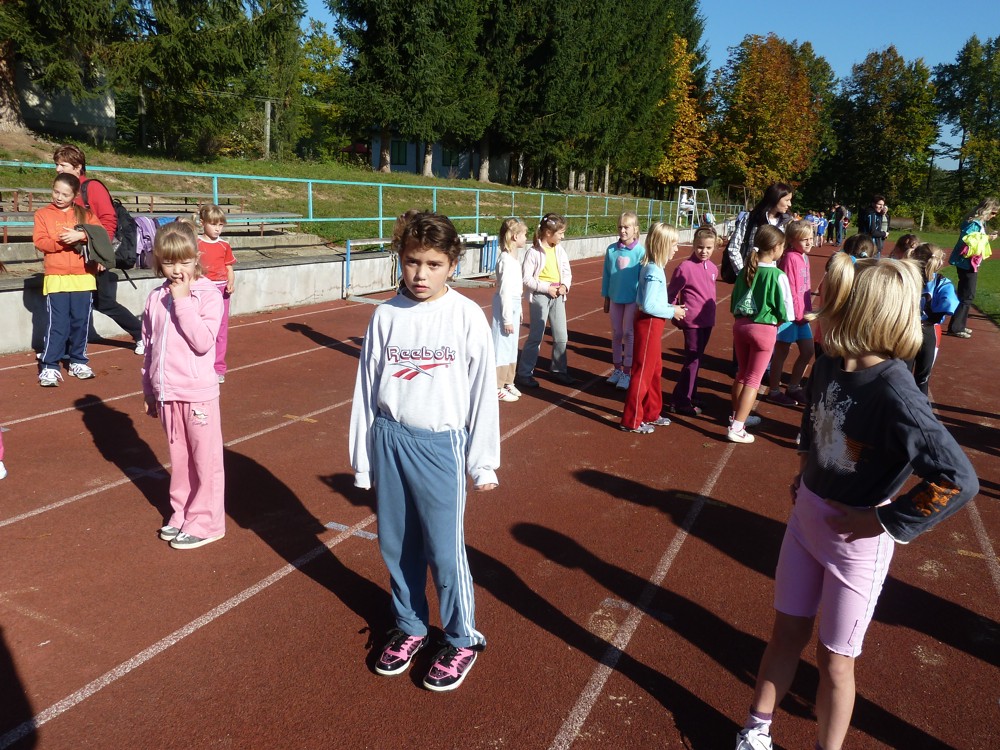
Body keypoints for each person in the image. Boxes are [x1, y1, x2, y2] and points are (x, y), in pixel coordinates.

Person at [734, 254, 978, 750]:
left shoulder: (896, 392)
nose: (818, 311)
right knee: (785, 633)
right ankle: (756, 728)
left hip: (855, 545)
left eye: (832, 302)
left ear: (861, 314)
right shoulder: (828, 363)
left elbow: (959, 478)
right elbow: (813, 420)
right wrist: (805, 470)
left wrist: (886, 520)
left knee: (835, 659)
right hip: (805, 524)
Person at [349, 211, 499, 692]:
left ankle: (461, 637)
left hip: (440, 446)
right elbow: (366, 389)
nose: (420, 274)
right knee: (396, 545)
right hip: (389, 438)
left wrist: (483, 462)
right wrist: (362, 460)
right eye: (412, 262)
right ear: (401, 259)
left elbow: (482, 391)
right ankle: (411, 625)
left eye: (433, 264)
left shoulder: (466, 316)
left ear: (453, 264)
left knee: (444, 550)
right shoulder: (385, 315)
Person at [141, 222, 226, 550]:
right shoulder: (155, 297)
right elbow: (150, 346)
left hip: (197, 393)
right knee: (179, 460)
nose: (177, 270)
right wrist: (149, 389)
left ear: (196, 258)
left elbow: (203, 342)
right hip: (167, 393)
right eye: (169, 262)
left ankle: (207, 522)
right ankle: (183, 512)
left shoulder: (207, 295)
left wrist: (182, 301)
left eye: (184, 262)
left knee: (205, 459)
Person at [53, 145, 144, 354]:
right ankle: (60, 347)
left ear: (78, 167)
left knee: (104, 303)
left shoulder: (91, 188)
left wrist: (103, 255)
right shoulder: (63, 191)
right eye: (56, 164)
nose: (58, 169)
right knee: (71, 302)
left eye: (62, 165)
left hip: (95, 256)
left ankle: (142, 334)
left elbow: (109, 221)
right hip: (73, 258)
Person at [727, 225, 793, 444]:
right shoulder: (777, 275)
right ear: (776, 247)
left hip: (741, 326)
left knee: (741, 374)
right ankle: (737, 427)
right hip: (763, 329)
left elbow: (734, 302)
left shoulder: (744, 271)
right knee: (754, 379)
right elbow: (787, 311)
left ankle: (737, 416)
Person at [33, 174, 99, 387]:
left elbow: (99, 235)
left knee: (80, 321)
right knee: (58, 324)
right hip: (57, 276)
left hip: (83, 276)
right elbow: (40, 241)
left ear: (75, 195)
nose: (59, 197)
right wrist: (63, 241)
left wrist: (81, 236)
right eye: (56, 192)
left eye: (65, 194)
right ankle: (50, 365)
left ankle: (78, 360)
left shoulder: (85, 214)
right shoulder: (42, 214)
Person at [620, 223, 686, 433]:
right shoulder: (653, 271)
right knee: (643, 372)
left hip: (653, 324)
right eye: (674, 244)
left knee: (655, 370)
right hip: (648, 324)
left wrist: (670, 307)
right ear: (663, 245)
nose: (676, 249)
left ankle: (651, 412)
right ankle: (631, 420)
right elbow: (648, 305)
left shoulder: (655, 268)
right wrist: (672, 311)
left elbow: (653, 301)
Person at [515, 213, 574, 388]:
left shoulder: (560, 250)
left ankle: (558, 370)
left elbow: (567, 272)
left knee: (561, 336)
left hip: (558, 295)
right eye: (560, 233)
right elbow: (526, 278)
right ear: (548, 233)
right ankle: (524, 373)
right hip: (540, 295)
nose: (563, 236)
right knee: (536, 336)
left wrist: (564, 286)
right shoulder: (533, 252)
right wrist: (546, 288)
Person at [668, 226, 718, 416]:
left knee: (698, 359)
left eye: (708, 248)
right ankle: (680, 400)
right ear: (694, 245)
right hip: (692, 322)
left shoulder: (713, 268)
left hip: (707, 320)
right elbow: (672, 293)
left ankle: (691, 395)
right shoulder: (684, 268)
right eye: (700, 247)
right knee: (692, 360)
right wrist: (673, 313)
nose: (704, 251)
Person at [766, 220, 814, 407]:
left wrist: (807, 310)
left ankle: (793, 387)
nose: (809, 242)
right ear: (792, 241)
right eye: (804, 239)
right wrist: (794, 313)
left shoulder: (804, 257)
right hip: (789, 315)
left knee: (808, 351)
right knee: (781, 353)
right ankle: (774, 391)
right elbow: (788, 289)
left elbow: (805, 287)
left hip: (802, 315)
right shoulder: (790, 258)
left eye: (811, 238)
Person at [602, 211, 645, 391]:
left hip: (632, 300)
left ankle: (627, 372)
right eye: (620, 227)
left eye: (626, 227)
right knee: (616, 333)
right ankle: (617, 369)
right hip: (615, 298)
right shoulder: (611, 250)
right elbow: (606, 275)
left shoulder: (640, 252)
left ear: (635, 229)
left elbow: (642, 279)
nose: (623, 230)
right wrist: (606, 297)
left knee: (628, 333)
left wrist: (641, 301)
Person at [946, 196, 999, 339]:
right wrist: (988, 238)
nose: (994, 216)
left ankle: (959, 325)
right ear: (986, 210)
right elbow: (969, 241)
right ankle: (956, 327)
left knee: (966, 295)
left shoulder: (977, 223)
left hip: (969, 262)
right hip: (967, 262)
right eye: (993, 213)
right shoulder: (974, 224)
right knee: (967, 296)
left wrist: (986, 237)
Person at [910, 244, 958, 395]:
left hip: (905, 330)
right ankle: (920, 408)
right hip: (929, 331)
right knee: (922, 379)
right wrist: (931, 316)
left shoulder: (906, 278)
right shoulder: (942, 282)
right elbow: (949, 304)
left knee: (901, 375)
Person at [722, 182, 794, 283]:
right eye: (787, 200)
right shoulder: (750, 218)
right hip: (749, 278)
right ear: (775, 198)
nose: (789, 204)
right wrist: (744, 274)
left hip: (770, 279)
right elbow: (733, 247)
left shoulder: (785, 223)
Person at [197, 205, 237, 383]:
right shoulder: (196, 243)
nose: (217, 228)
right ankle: (199, 364)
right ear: (202, 223)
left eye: (221, 225)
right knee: (199, 327)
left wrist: (231, 282)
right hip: (202, 289)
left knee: (220, 330)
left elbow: (229, 267)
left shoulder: (224, 245)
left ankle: (218, 367)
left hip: (221, 291)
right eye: (213, 224)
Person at [492, 217, 527, 402]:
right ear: (515, 236)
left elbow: (515, 290)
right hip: (505, 305)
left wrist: (518, 310)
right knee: (502, 345)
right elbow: (505, 291)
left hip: (514, 304)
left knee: (512, 346)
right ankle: (496, 386)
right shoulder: (505, 260)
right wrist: (506, 318)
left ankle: (508, 381)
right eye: (524, 235)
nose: (526, 238)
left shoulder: (514, 259)